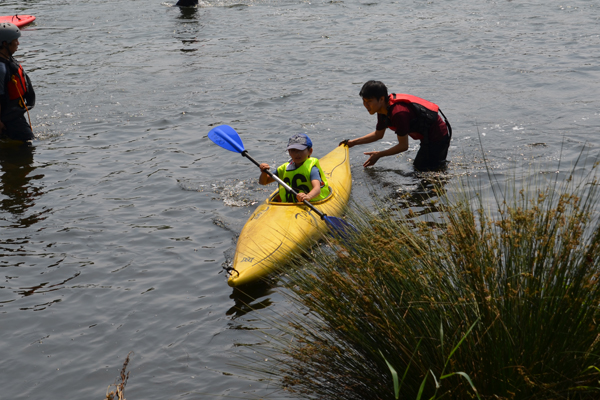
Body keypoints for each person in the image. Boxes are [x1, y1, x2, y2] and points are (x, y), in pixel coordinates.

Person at [340, 80, 451, 171]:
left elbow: (403, 146)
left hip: (437, 136)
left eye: (369, 101)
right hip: (426, 135)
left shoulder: (398, 113)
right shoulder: (382, 110)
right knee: (421, 169)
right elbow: (378, 134)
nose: (366, 105)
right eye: (364, 101)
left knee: (421, 170)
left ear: (382, 99)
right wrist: (353, 143)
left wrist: (379, 154)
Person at [259, 133, 330, 203]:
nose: (296, 154)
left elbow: (317, 189)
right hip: (288, 206)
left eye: (300, 150)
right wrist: (264, 173)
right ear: (289, 152)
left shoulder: (312, 169)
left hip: (311, 202)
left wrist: (308, 196)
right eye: (293, 150)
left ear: (310, 151)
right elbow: (263, 182)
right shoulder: (284, 168)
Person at [0, 22, 35, 147]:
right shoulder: (1, 68)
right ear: (5, 43)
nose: (18, 43)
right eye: (15, 40)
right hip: (9, 117)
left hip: (14, 113)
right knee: (28, 144)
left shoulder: (8, 59)